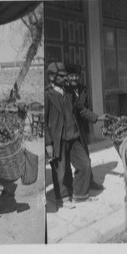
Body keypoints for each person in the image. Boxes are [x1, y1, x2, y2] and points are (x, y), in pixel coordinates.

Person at [45, 62, 105, 208]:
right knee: (61, 170)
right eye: (62, 76)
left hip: (74, 136)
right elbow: (43, 121)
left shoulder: (70, 92)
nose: (66, 79)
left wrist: (97, 118)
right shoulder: (47, 94)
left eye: (66, 76)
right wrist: (48, 143)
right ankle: (63, 199)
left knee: (85, 164)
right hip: (58, 139)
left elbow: (80, 110)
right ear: (52, 77)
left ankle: (80, 195)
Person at [65, 64, 104, 191]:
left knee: (86, 155)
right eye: (71, 75)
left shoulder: (83, 89)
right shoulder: (65, 91)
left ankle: (90, 182)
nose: (74, 78)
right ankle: (69, 188)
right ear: (67, 77)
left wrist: (95, 118)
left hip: (81, 128)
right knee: (69, 161)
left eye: (76, 75)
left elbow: (84, 108)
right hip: (68, 129)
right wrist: (96, 117)